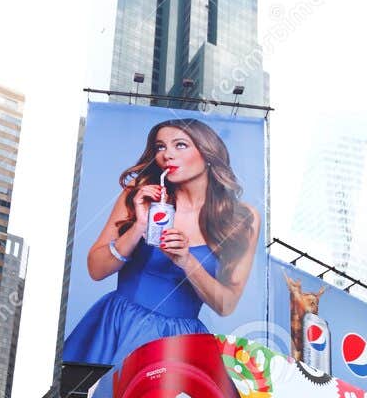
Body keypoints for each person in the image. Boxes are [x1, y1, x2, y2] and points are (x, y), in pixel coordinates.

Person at [63, 117, 263, 367]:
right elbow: (96, 269)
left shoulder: (242, 218)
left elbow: (225, 304)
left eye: (180, 145)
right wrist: (139, 227)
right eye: (160, 147)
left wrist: (186, 261)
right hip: (118, 326)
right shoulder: (140, 195)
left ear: (208, 153)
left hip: (182, 343)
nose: (167, 154)